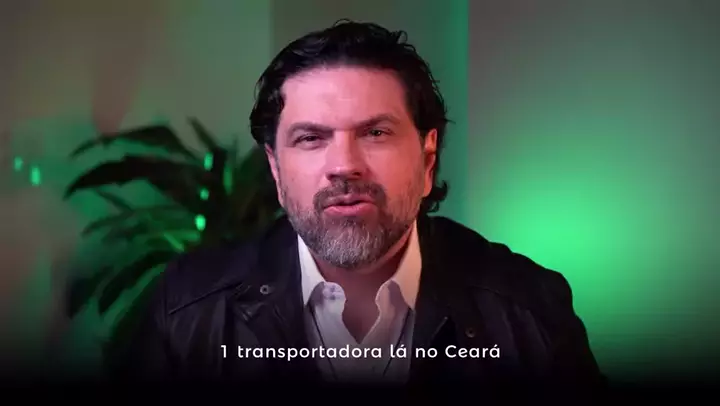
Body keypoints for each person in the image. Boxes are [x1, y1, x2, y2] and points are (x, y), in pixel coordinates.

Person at [113, 20, 605, 389]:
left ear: (428, 159)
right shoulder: (186, 310)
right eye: (311, 138)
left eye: (375, 133)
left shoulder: (530, 309)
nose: (344, 165)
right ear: (276, 170)